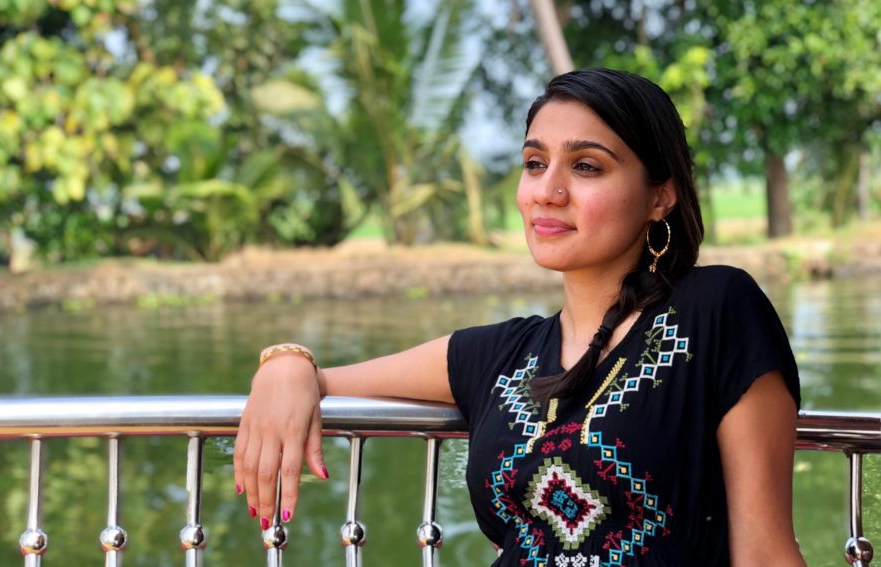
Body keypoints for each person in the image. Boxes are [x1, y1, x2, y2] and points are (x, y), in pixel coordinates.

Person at [234, 68, 806, 566]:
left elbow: (763, 552)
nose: (547, 191)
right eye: (535, 163)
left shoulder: (715, 313)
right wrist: (286, 364)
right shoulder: (501, 358)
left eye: (586, 166)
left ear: (660, 196)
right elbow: (326, 379)